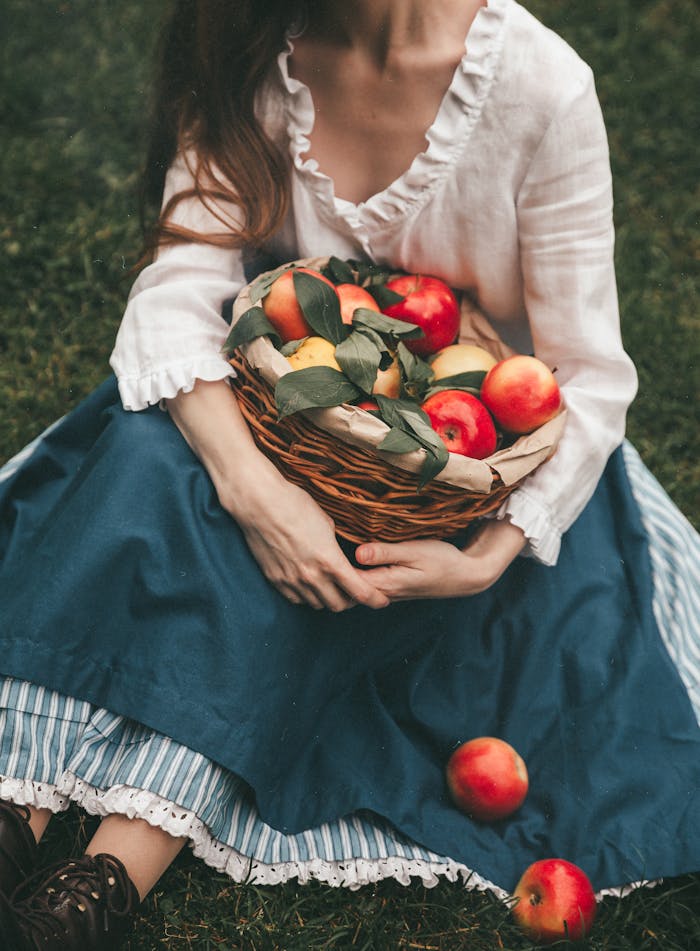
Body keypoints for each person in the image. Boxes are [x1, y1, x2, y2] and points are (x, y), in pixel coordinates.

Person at [1, 0, 699, 947]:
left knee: (335, 576)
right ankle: (16, 803)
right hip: (280, 403)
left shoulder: (541, 90)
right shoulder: (252, 41)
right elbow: (182, 281)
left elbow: (591, 383)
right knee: (145, 465)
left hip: (459, 470)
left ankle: (115, 868)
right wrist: (255, 490)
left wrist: (485, 561)